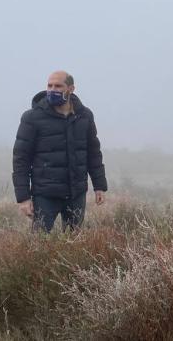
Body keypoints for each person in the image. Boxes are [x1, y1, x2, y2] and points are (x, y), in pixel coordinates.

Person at [12, 70, 107, 232]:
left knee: (74, 244)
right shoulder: (32, 118)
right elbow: (21, 159)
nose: (52, 89)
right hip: (45, 194)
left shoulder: (84, 116)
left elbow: (93, 153)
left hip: (76, 193)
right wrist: (24, 198)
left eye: (58, 86)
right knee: (38, 244)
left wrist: (99, 186)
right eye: (49, 85)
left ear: (71, 89)